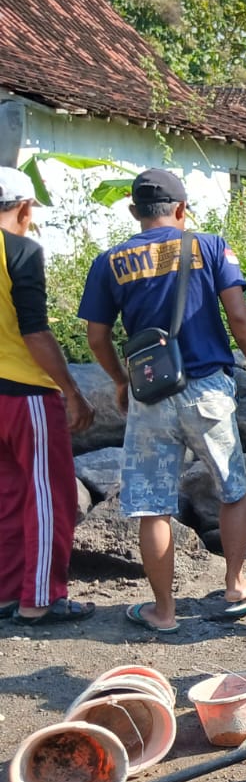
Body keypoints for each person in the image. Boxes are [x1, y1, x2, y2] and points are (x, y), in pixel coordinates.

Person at [79, 169, 246, 632]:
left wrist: (120, 380)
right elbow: (240, 316)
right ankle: (236, 584)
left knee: (152, 505)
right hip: (207, 386)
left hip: (151, 391)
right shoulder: (208, 247)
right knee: (231, 489)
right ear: (182, 209)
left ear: (134, 212)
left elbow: (95, 337)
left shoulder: (110, 261)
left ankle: (163, 611)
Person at [0, 168, 97, 625]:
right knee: (46, 494)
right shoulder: (20, 251)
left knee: (6, 496)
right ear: (22, 209)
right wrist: (71, 389)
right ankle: (39, 598)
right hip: (24, 393)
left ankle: (6, 593)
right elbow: (34, 331)